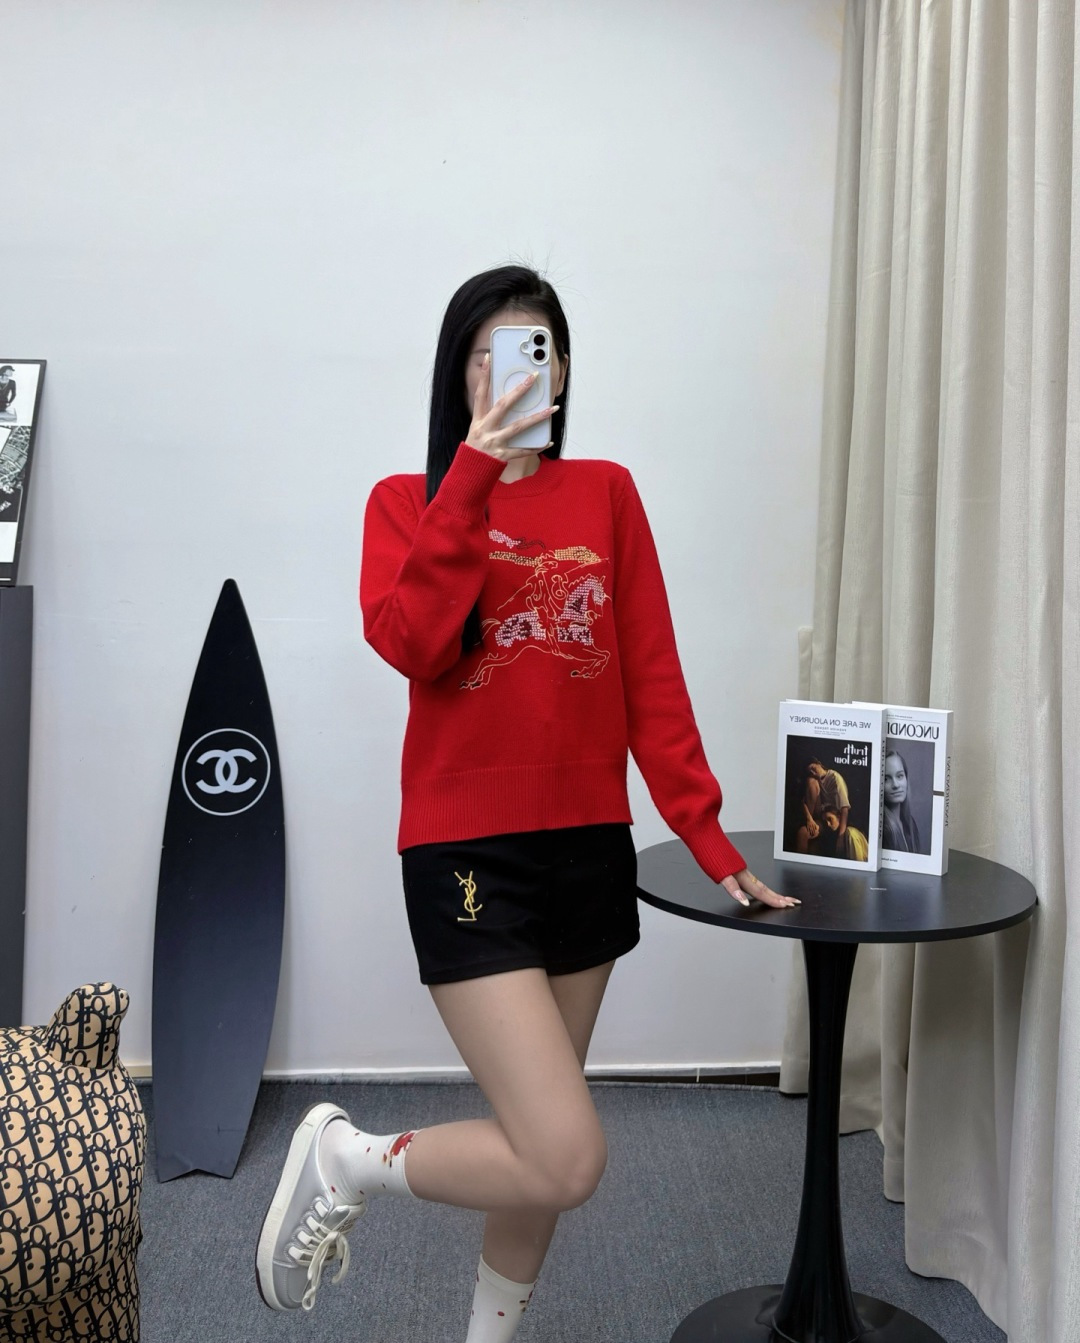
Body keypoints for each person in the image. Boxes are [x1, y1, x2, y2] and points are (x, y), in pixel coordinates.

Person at [255, 265, 800, 1340]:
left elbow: (651, 671)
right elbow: (413, 644)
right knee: (566, 1151)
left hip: (588, 846)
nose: (513, 373)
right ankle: (350, 1157)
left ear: (561, 371)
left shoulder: (608, 491)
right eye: (489, 354)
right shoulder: (405, 503)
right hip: (465, 851)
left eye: (535, 351)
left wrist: (701, 828)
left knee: (536, 1146)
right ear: (459, 373)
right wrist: (471, 476)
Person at [882, 747, 922, 852]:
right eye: (886, 779)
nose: (895, 785)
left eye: (899, 776)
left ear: (906, 778)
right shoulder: (883, 829)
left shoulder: (910, 824)